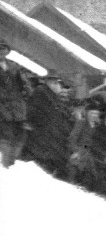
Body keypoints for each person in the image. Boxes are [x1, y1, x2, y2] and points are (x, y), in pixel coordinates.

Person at [21, 70, 72, 177]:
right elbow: (33, 115)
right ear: (50, 82)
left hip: (48, 147)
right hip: (43, 146)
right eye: (57, 83)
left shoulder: (51, 98)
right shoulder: (42, 95)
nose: (60, 87)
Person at [0, 39, 30, 168]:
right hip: (2, 109)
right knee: (6, 138)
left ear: (7, 51)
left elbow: (24, 86)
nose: (1, 52)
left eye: (4, 49)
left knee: (19, 137)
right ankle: (6, 166)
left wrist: (25, 90)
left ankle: (12, 165)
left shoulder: (14, 67)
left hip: (16, 109)